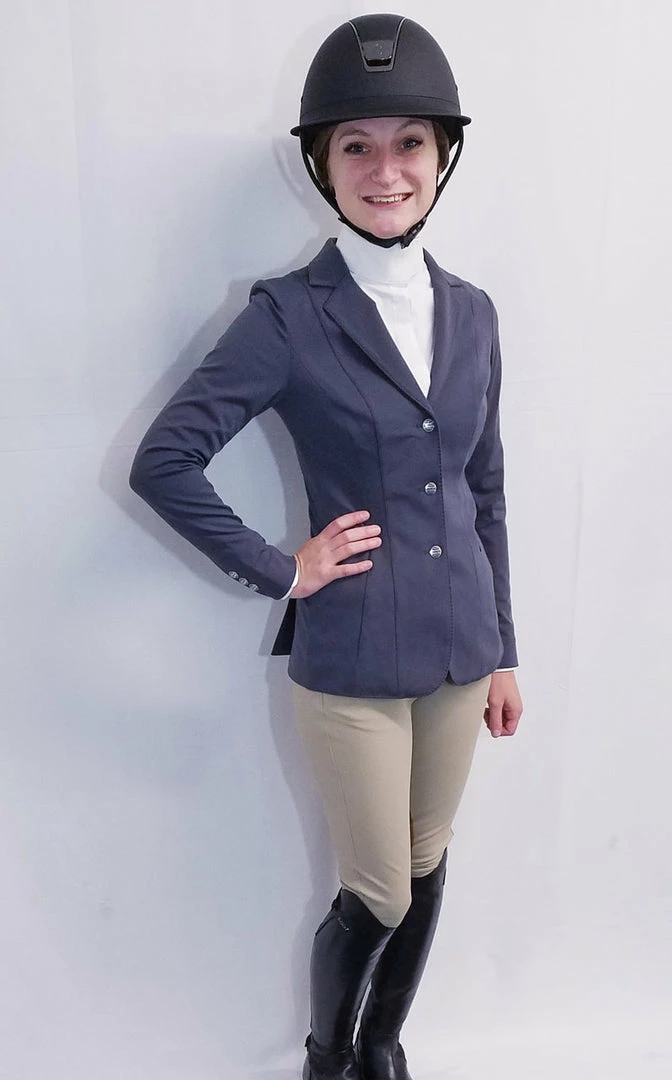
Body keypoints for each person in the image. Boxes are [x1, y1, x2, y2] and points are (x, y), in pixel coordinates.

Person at [129, 13, 523, 1080]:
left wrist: (506, 650)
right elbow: (166, 460)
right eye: (357, 145)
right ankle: (324, 1058)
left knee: (429, 862)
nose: (386, 170)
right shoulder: (288, 317)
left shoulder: (476, 314)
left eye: (409, 143)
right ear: (322, 164)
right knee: (380, 886)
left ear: (442, 156)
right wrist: (281, 566)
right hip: (350, 654)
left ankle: (382, 1046)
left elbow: (486, 488)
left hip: (462, 650)